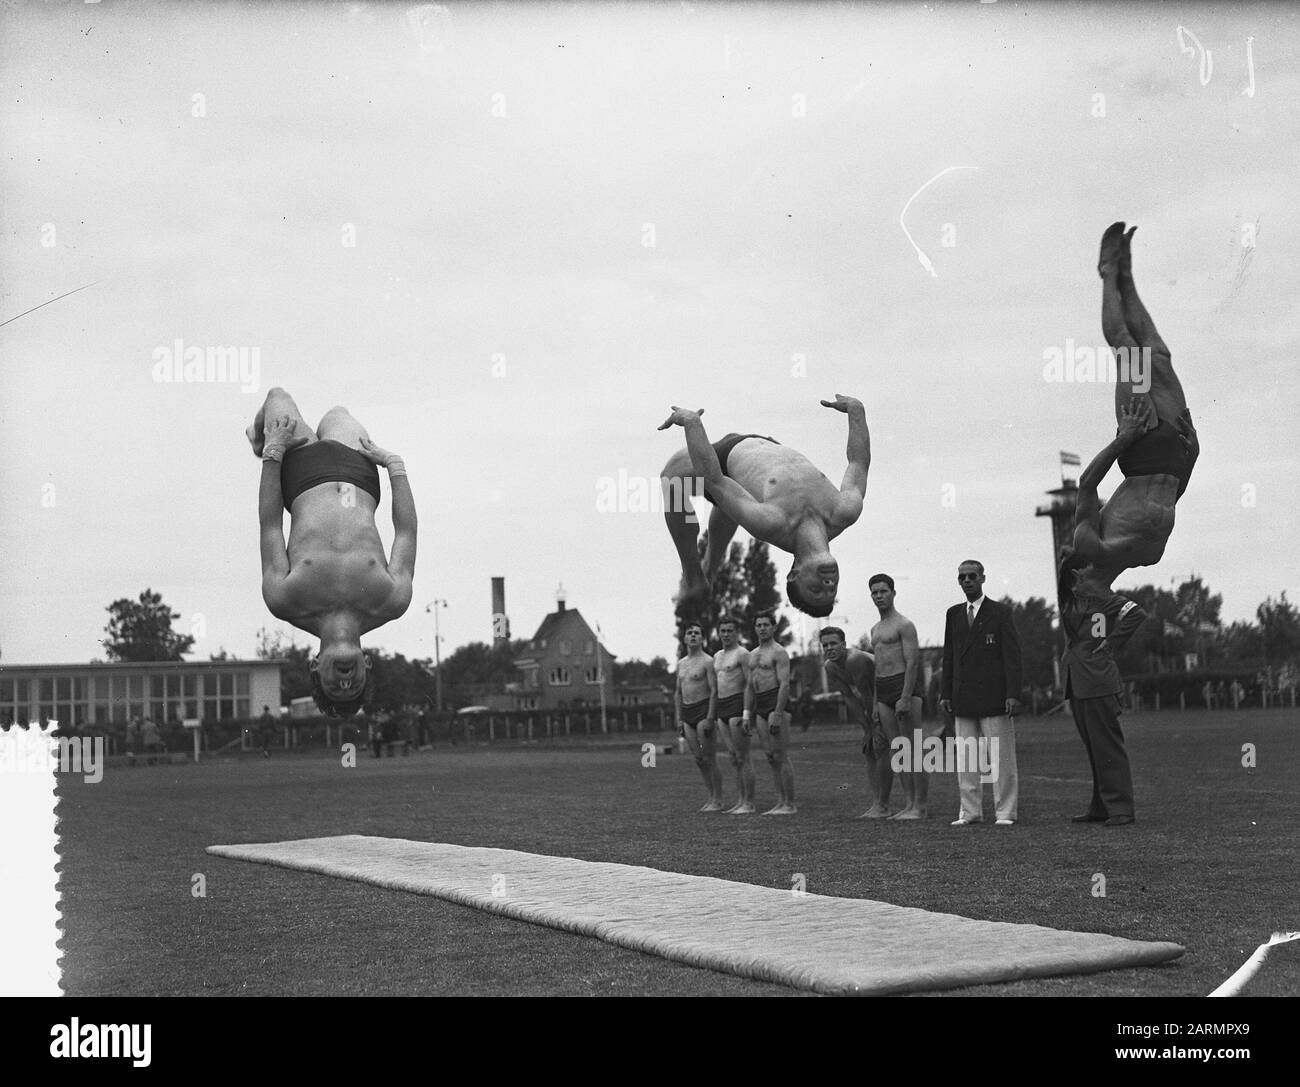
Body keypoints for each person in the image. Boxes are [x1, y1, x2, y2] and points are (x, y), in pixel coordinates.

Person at [249, 387, 417, 717]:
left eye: (334, 687)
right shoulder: (392, 601)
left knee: (277, 397)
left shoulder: (284, 601)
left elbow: (270, 524)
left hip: (301, 471)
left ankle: (258, 438)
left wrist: (271, 453)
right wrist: (395, 467)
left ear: (315, 666)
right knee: (337, 413)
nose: (345, 682)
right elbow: (407, 532)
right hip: (359, 469)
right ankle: (280, 435)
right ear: (366, 665)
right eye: (354, 686)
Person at [1070, 223, 1199, 596]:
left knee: (1129, 348)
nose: (1089, 599)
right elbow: (1174, 496)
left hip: (1141, 442)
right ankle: (1126, 274)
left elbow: (1087, 484)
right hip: (1174, 454)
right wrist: (1192, 457)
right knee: (1157, 352)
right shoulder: (1147, 557)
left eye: (1081, 597)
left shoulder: (1089, 548)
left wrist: (1124, 438)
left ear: (1077, 581)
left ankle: (1109, 272)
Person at [657, 396, 870, 620]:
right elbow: (858, 463)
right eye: (831, 590)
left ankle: (694, 576)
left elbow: (713, 478)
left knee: (671, 479)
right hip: (767, 447)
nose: (827, 583)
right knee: (733, 501)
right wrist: (857, 412)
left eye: (816, 590)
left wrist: (692, 423)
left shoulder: (772, 523)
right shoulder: (845, 512)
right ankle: (711, 565)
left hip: (727, 458)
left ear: (794, 575)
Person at [1057, 549, 1148, 826]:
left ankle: (1120, 808)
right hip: (1077, 681)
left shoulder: (1104, 599)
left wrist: (1111, 643)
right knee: (1094, 748)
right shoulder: (1076, 600)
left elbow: (1136, 614)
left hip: (1097, 680)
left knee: (1107, 746)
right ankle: (1101, 806)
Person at [940, 560, 1023, 827]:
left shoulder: (1000, 612)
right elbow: (949, 656)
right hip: (963, 697)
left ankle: (1006, 812)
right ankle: (970, 812)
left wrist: (1012, 693)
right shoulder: (953, 614)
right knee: (967, 759)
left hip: (994, 696)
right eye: (962, 577)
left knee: (1002, 760)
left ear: (982, 578)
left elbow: (1012, 657)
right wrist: (945, 693)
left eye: (972, 576)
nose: (967, 581)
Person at [867, 575, 931, 819]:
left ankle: (921, 806)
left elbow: (913, 661)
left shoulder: (904, 624)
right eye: (875, 592)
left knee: (913, 749)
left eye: (883, 591)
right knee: (897, 750)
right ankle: (908, 804)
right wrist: (875, 702)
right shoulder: (875, 629)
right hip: (883, 689)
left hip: (903, 685)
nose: (879, 596)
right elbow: (877, 667)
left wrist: (905, 696)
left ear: (893, 593)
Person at [820, 626, 890, 818]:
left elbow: (868, 692)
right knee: (870, 748)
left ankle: (886, 805)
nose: (829, 648)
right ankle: (878, 803)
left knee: (883, 747)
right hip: (876, 697)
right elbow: (849, 697)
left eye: (833, 643)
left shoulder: (855, 659)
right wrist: (865, 728)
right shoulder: (830, 666)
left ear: (844, 644)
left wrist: (874, 724)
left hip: (889, 691)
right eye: (825, 645)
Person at [748, 612, 795, 814]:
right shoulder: (752, 655)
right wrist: (746, 713)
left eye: (766, 625)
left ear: (773, 627)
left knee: (781, 755)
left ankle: (790, 804)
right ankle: (780, 800)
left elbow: (785, 684)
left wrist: (778, 712)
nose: (762, 628)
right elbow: (750, 687)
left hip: (777, 702)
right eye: (759, 625)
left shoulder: (779, 652)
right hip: (760, 704)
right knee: (769, 756)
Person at [675, 623, 722, 811]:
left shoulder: (708, 661)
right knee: (699, 760)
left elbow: (714, 691)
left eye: (697, 633)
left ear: (702, 638)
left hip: (703, 711)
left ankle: (718, 799)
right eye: (689, 633)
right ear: (685, 638)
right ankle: (710, 796)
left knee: (709, 757)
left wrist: (711, 717)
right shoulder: (681, 664)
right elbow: (677, 692)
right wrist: (679, 718)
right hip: (687, 713)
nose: (693, 635)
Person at [713, 615, 756, 815]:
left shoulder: (742, 654)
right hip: (722, 707)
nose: (726, 634)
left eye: (730, 630)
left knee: (743, 756)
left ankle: (749, 802)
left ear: (736, 632)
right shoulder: (717, 656)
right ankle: (740, 800)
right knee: (733, 757)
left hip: (737, 704)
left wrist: (747, 713)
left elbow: (750, 684)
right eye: (723, 631)